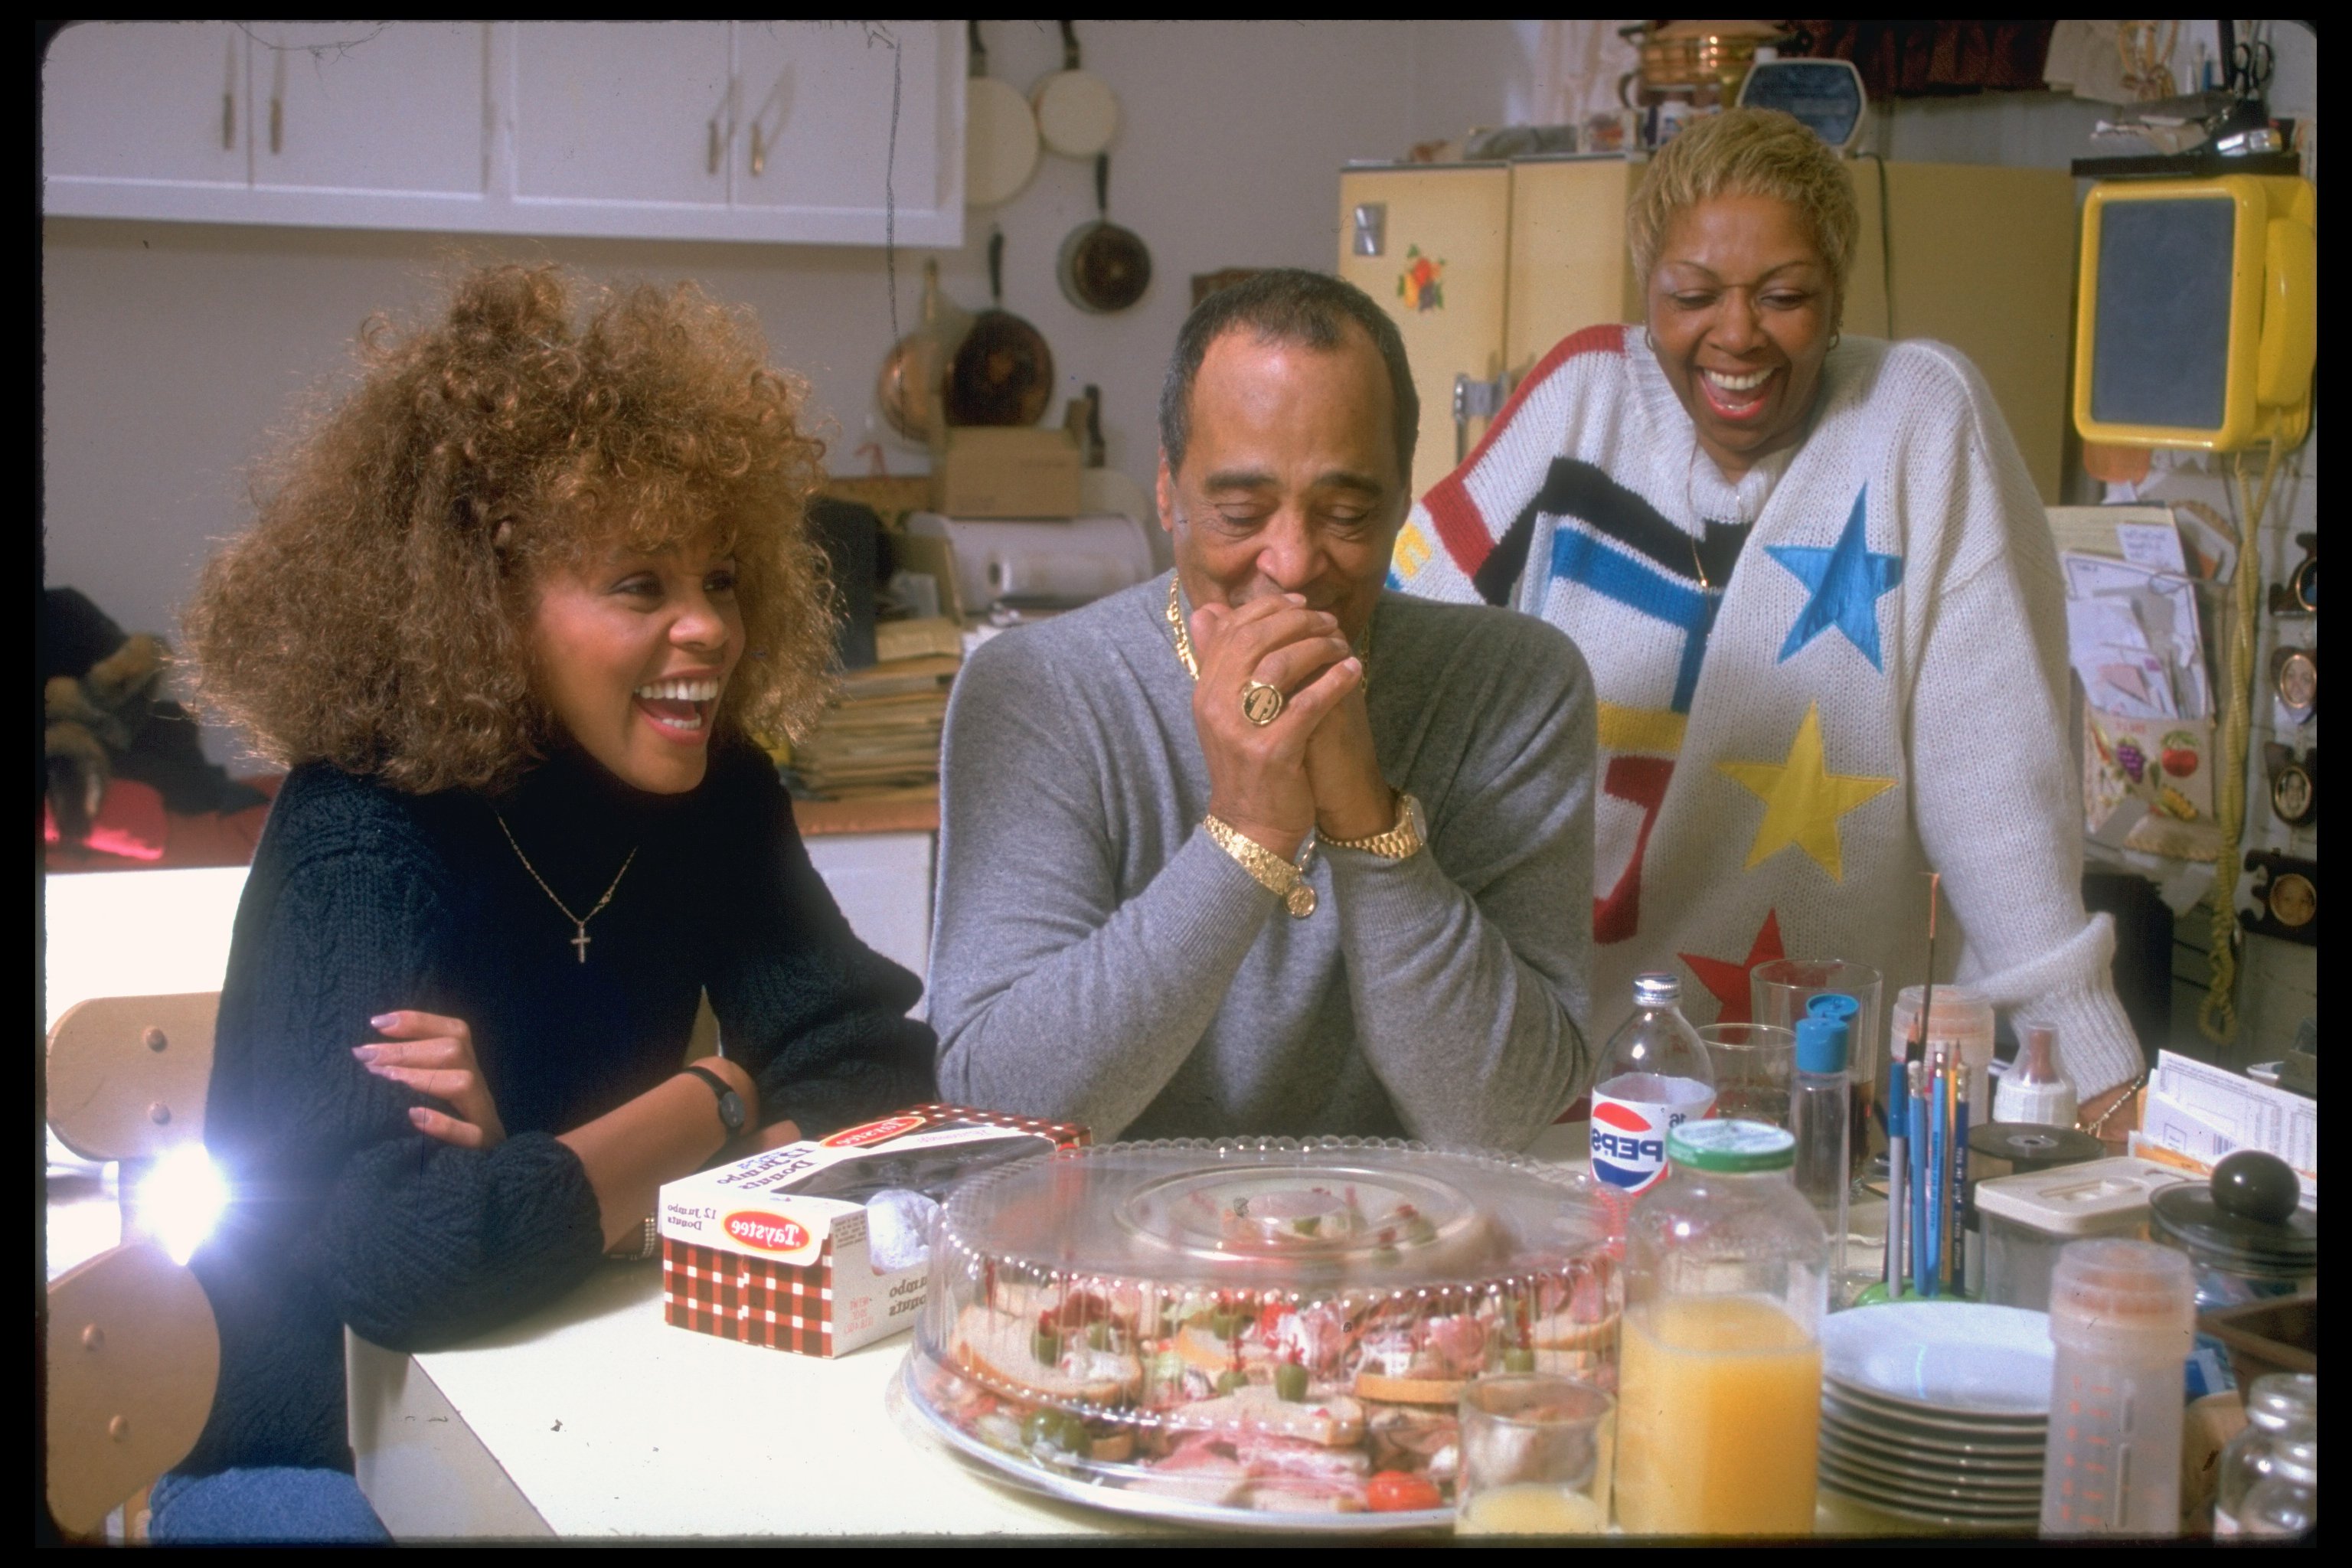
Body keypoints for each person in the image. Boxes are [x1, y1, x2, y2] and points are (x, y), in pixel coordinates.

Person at [161, 265, 936, 1540]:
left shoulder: (718, 790)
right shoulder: (363, 823)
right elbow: (404, 1261)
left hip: (570, 1364)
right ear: (490, 605)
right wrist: (723, 1096)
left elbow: (878, 1062)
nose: (708, 629)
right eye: (641, 584)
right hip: (305, 1431)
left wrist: (557, 1179)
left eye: (724, 577)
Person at [1389, 108, 2141, 1100]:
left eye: (1784, 297)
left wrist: (2097, 1080)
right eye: (1692, 295)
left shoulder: (1920, 422)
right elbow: (1397, 667)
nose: (1735, 335)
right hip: (1549, 1074)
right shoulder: (1579, 403)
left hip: (1810, 1091)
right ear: (1645, 293)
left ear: (1838, 301)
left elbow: (1998, 793)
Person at [929, 270, 1596, 1145]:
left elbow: (1501, 1117)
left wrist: (1366, 819)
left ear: (1403, 499)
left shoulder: (1515, 684)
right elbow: (1002, 1109)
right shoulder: (1040, 690)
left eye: (1348, 513)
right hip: (1107, 1263)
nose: (1290, 561)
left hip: (1413, 1256)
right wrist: (1246, 833)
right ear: (1167, 492)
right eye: (1240, 511)